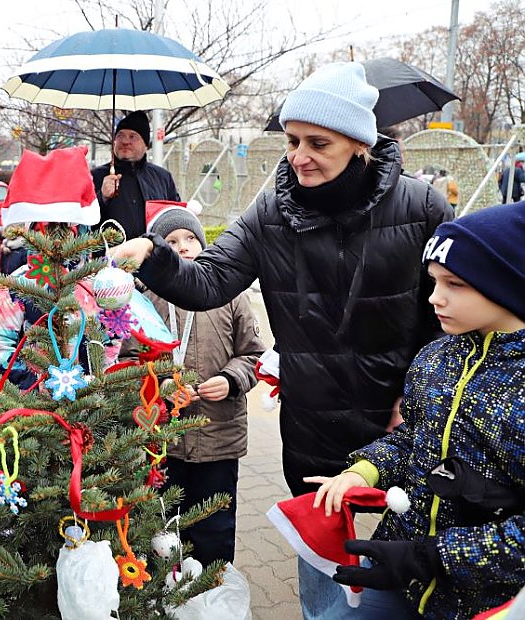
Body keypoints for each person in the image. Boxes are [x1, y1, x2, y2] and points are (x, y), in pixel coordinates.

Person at [111, 61, 455, 618]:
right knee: (320, 562)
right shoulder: (270, 211)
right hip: (312, 417)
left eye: (318, 142)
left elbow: (450, 316)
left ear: (359, 145)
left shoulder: (421, 207)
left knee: (407, 565)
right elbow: (210, 280)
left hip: (403, 419)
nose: (299, 156)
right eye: (293, 140)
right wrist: (155, 256)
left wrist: (419, 401)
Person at [307, 202, 525, 619]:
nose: (434, 297)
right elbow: (414, 435)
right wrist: (363, 471)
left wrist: (432, 557)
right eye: (434, 281)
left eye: (455, 284)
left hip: (485, 603)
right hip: (399, 572)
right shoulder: (436, 355)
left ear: (507, 284)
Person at [121, 205, 264, 567]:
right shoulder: (144, 301)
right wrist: (160, 384)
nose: (183, 247)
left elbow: (253, 354)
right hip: (164, 440)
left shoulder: (231, 297)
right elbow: (130, 362)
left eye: (190, 239)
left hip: (219, 436)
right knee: (164, 526)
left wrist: (231, 379)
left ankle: (214, 589)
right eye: (171, 241)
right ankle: (165, 592)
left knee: (215, 526)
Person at [91, 110, 180, 240]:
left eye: (133, 136)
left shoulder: (162, 178)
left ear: (145, 145)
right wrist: (102, 197)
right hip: (111, 258)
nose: (125, 141)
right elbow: (82, 224)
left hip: (154, 256)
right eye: (120, 135)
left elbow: (176, 218)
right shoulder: (95, 177)